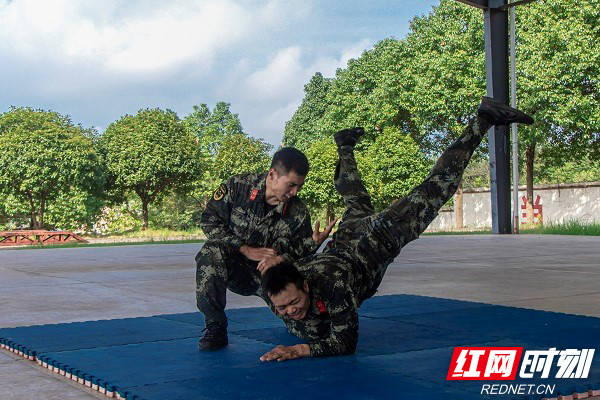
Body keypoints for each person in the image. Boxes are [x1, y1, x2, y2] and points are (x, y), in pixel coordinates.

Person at [258, 97, 534, 362]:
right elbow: (309, 320)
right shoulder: (276, 296)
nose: (289, 310)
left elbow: (345, 342)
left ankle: (484, 118)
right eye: (282, 307)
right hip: (346, 239)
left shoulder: (333, 287)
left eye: (293, 302)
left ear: (305, 285)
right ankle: (344, 145)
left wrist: (298, 350)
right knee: (355, 199)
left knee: (437, 188)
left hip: (375, 241)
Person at [196, 147, 336, 350]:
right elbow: (209, 222)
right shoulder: (238, 187)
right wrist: (243, 248)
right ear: (272, 175)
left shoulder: (298, 212)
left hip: (272, 279)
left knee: (316, 332)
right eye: (291, 185)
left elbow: (300, 259)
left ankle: (294, 319)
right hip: (234, 268)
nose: (294, 192)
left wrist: (311, 244)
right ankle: (215, 326)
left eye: (299, 186)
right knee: (210, 253)